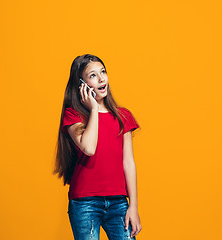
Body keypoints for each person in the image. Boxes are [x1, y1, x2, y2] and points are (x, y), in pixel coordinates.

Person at [54, 54, 142, 240]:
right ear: (81, 84)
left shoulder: (122, 116)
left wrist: (133, 206)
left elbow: (128, 163)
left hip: (119, 202)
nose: (102, 78)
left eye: (103, 72)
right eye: (93, 75)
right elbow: (89, 148)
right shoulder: (73, 116)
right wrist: (94, 109)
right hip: (85, 202)